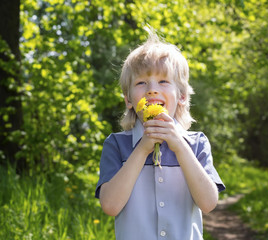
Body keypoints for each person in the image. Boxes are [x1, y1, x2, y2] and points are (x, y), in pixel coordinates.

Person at [95, 29, 225, 240]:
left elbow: (208, 204)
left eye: (163, 82)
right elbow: (110, 206)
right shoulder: (116, 144)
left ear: (181, 96)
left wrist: (180, 147)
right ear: (128, 100)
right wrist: (142, 148)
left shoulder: (196, 143)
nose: (152, 90)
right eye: (141, 83)